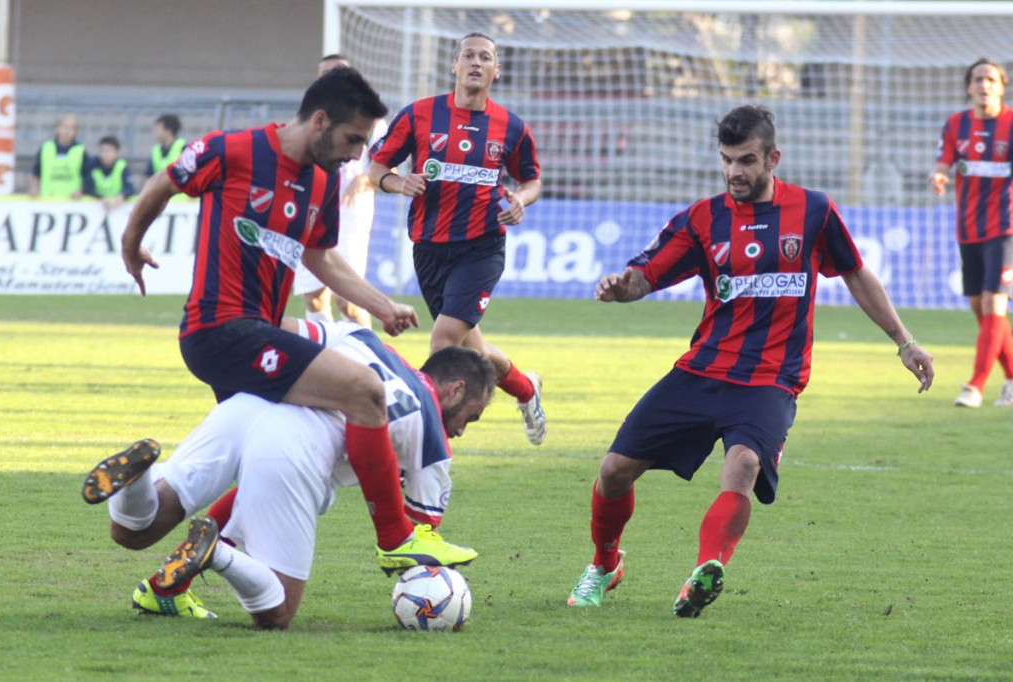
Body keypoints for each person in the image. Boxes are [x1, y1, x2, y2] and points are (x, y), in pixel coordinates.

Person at [566, 105, 934, 618]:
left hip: (771, 379)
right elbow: (646, 275)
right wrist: (622, 286)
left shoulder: (813, 210)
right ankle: (605, 565)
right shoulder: (704, 218)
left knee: (742, 465)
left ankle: (704, 572)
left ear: (772, 158)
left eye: (746, 160)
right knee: (613, 471)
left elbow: (855, 273)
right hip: (702, 369)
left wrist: (904, 341)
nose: (734, 172)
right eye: (726, 160)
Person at [120, 67, 474, 575]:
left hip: (257, 335)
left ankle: (164, 570)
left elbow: (321, 260)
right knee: (365, 390)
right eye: (354, 139)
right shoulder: (233, 150)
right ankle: (396, 538)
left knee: (266, 459)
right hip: (220, 329)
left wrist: (381, 305)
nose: (358, 154)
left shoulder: (322, 182)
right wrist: (132, 245)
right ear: (320, 120)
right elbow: (165, 182)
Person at [82, 322, 495, 628]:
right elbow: (421, 543)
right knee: (277, 612)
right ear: (455, 390)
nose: (460, 429)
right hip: (294, 445)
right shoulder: (434, 439)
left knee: (133, 532)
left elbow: (284, 328)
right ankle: (217, 555)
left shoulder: (360, 338)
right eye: (470, 418)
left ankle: (137, 485)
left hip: (247, 407)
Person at [368, 32, 547, 446]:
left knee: (444, 341)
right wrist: (398, 183)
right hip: (429, 248)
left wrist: (521, 199)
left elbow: (532, 179)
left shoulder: (511, 127)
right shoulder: (419, 115)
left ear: (496, 71)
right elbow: (377, 168)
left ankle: (422, 444)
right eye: (468, 55)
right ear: (454, 65)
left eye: (486, 58)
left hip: (481, 247)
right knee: (472, 352)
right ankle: (526, 388)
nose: (476, 63)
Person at [930, 57, 1013, 408]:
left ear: (1001, 86)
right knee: (983, 309)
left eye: (991, 79)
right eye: (978, 79)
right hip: (967, 228)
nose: (984, 85)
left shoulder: (1011, 124)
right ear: (968, 86)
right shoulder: (955, 125)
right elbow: (943, 162)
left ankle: (975, 386)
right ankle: (1011, 380)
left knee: (995, 301)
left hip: (1006, 227)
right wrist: (939, 175)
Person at [293, 54, 387, 328]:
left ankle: (367, 352)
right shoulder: (311, 118)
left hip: (350, 214)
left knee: (349, 299)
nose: (331, 78)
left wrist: (365, 180)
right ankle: (328, 359)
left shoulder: (373, 122)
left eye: (337, 72)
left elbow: (389, 169)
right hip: (312, 208)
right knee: (314, 297)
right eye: (324, 73)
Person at [29, 113, 85, 199]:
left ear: (76, 132)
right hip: (48, 199)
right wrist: (34, 188)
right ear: (57, 128)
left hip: (71, 201)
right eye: (65, 127)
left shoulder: (80, 151)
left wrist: (80, 191)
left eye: (71, 128)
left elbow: (87, 176)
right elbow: (37, 171)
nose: (67, 131)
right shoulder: (46, 148)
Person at [83, 135, 135, 210]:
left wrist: (122, 195)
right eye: (102, 151)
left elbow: (130, 188)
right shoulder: (92, 167)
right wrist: (100, 197)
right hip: (96, 209)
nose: (105, 154)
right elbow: (88, 188)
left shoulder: (122, 167)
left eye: (109, 151)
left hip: (118, 209)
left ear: (117, 153)